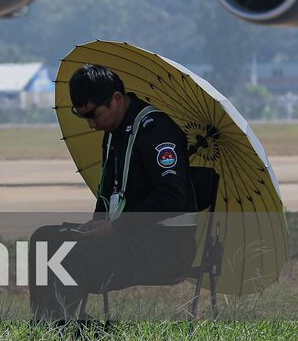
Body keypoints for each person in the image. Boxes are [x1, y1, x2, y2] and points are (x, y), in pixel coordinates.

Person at [29, 64, 197, 322]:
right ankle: (45, 321)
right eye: (83, 117)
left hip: (164, 245)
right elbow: (108, 193)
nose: (91, 125)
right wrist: (97, 223)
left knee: (71, 257)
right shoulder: (112, 133)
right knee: (44, 239)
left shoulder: (156, 131)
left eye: (94, 115)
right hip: (127, 235)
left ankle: (58, 327)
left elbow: (171, 197)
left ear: (117, 100)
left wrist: (115, 227)